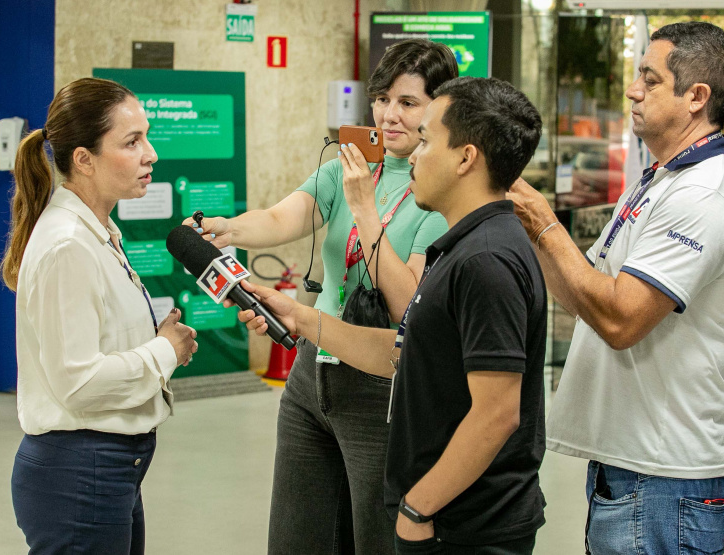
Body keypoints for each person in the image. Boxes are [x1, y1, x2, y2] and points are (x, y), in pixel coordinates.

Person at [234, 76, 547, 555]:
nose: (413, 156)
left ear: (465, 158)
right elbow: (403, 352)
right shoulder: (461, 248)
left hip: (466, 525)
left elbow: (497, 414)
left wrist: (418, 507)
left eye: (426, 141)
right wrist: (298, 317)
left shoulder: (486, 260)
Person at [185, 39, 457, 553]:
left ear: (439, 110)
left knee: (375, 540)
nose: (389, 115)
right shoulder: (345, 169)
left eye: (407, 102)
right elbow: (280, 218)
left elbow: (408, 304)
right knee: (295, 538)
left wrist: (365, 210)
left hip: (382, 384)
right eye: (382, 99)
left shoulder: (438, 193)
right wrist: (228, 228)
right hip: (312, 375)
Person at [508, 21, 724, 554]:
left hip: (663, 476)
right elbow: (586, 296)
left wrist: (547, 225)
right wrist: (530, 229)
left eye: (650, 80)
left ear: (696, 97)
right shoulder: (662, 179)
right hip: (629, 467)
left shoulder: (707, 193)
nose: (632, 91)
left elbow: (621, 319)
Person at [1, 77, 198, 554]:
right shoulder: (68, 245)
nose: (150, 154)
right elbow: (79, 382)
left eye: (147, 137)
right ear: (84, 159)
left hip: (110, 469)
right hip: (78, 474)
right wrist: (163, 351)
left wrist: (154, 339)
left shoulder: (98, 230)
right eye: (132, 142)